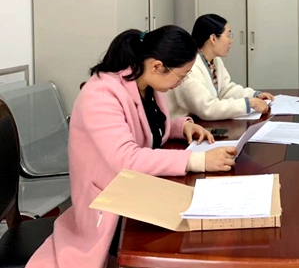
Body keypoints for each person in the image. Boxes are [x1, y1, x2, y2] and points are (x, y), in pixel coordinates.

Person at [27, 26, 238, 268]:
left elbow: (148, 128)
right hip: (108, 203)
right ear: (157, 66)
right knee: (183, 239)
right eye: (181, 76)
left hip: (134, 188)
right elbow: (126, 158)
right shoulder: (101, 94)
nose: (181, 83)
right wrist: (197, 160)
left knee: (196, 224)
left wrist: (182, 127)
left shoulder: (144, 85)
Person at [167, 14, 273, 121]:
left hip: (197, 122)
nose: (231, 40)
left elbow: (225, 90)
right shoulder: (191, 67)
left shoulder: (215, 61)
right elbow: (207, 109)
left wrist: (254, 95)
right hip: (181, 125)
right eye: (228, 35)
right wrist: (248, 104)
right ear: (213, 38)